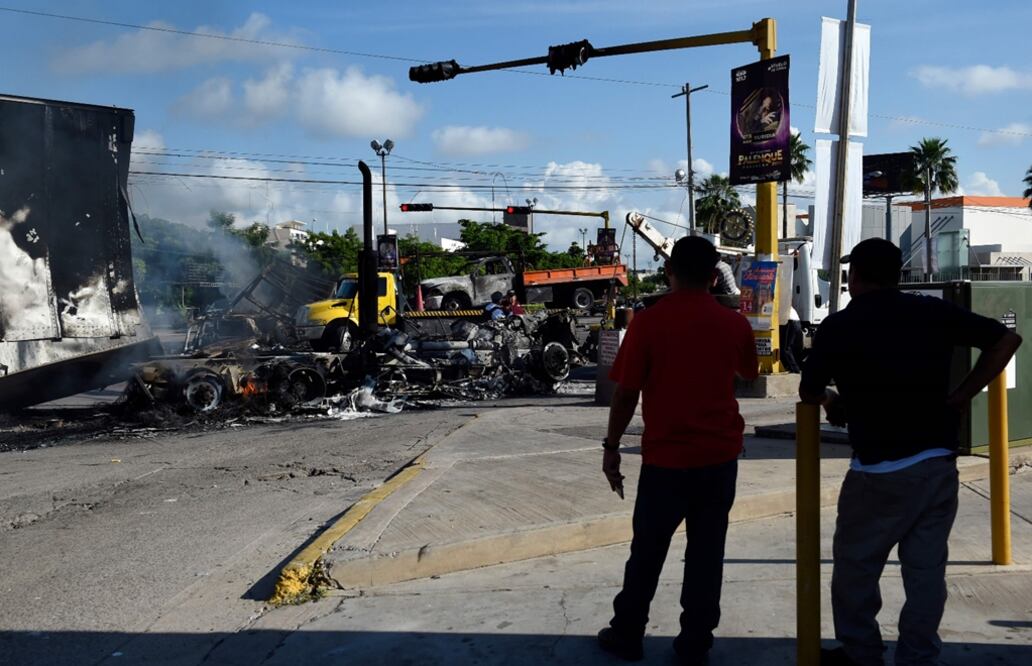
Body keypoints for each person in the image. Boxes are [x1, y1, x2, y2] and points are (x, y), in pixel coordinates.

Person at [799, 238, 1022, 666]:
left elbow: (809, 391)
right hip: (936, 464)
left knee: (856, 570)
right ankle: (918, 656)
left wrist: (831, 400)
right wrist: (961, 396)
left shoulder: (840, 326)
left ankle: (862, 654)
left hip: (876, 471)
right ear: (897, 275)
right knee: (925, 573)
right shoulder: (932, 311)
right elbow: (1006, 341)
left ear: (854, 277)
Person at [598, 235, 759, 665]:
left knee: (647, 552)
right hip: (718, 460)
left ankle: (628, 633)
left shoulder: (648, 323)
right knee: (706, 555)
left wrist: (611, 447)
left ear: (669, 271)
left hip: (665, 462)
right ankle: (694, 644)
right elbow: (749, 372)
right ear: (714, 278)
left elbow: (625, 394)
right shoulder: (734, 324)